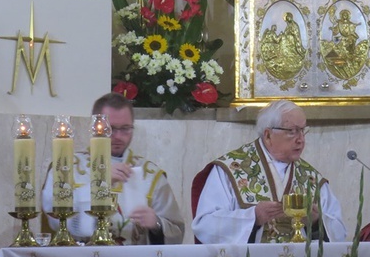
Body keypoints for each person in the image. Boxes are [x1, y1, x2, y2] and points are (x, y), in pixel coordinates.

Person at [192, 100, 346, 244]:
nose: (301, 139)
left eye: (303, 130)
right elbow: (205, 225)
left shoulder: (311, 178)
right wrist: (253, 217)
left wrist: (317, 222)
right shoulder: (230, 170)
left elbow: (339, 232)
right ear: (268, 135)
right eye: (292, 131)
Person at [42, 92, 185, 244]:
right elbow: (55, 221)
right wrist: (100, 184)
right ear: (94, 128)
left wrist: (156, 223)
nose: (118, 136)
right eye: (110, 129)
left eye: (125, 128)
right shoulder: (67, 167)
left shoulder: (149, 174)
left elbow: (177, 232)